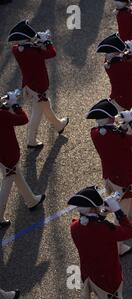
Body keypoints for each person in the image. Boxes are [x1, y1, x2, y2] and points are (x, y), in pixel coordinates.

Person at [86, 99, 132, 249]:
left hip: (110, 176)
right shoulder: (115, 135)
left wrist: (122, 127)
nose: (114, 118)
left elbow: (114, 137)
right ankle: (117, 247)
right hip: (124, 178)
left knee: (129, 202)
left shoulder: (95, 133)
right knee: (122, 214)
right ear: (109, 118)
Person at [8, 20, 69, 149]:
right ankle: (31, 140)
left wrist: (36, 42)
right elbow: (52, 53)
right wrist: (47, 41)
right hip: (39, 86)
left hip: (30, 84)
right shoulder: (32, 52)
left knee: (46, 106)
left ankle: (58, 125)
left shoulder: (16, 49)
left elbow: (31, 46)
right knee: (37, 113)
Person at [69, 186, 132, 299]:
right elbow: (130, 232)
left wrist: (102, 214)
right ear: (92, 209)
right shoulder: (104, 229)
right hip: (108, 279)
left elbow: (91, 226)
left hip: (89, 275)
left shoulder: (74, 227)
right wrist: (118, 211)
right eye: (96, 207)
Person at [0, 89, 45, 228]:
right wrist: (15, 105)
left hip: (2, 154)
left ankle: (31, 200)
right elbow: (23, 119)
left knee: (16, 175)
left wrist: (5, 106)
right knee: (8, 182)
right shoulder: (2, 115)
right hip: (7, 153)